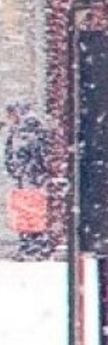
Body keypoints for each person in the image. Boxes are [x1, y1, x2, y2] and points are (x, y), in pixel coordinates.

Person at [4, 101, 53, 260]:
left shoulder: (29, 130)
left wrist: (29, 173)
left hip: (30, 181)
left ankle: (35, 246)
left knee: (31, 213)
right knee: (25, 213)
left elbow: (36, 155)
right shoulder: (18, 130)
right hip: (24, 180)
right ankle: (29, 245)